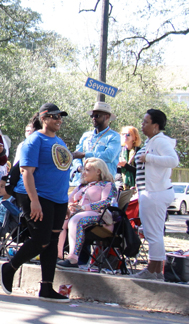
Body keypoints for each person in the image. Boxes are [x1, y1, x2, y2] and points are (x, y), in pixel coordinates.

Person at [0, 104, 73, 302]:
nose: (59, 120)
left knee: (53, 240)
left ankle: (47, 287)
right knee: (41, 239)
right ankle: (10, 267)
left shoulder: (59, 141)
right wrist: (34, 201)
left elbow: (61, 170)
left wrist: (65, 201)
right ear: (44, 118)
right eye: (54, 116)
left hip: (58, 198)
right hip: (38, 196)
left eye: (60, 117)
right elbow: (26, 172)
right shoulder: (34, 141)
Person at [132, 109, 179, 280]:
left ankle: (152, 270)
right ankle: (157, 271)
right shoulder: (152, 141)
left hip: (155, 193)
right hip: (152, 192)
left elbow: (173, 160)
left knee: (153, 234)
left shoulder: (160, 141)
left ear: (156, 126)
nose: (142, 125)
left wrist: (149, 158)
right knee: (155, 233)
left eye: (146, 122)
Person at [57, 158, 117, 268]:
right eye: (84, 169)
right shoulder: (82, 186)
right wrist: (71, 206)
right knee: (60, 218)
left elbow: (107, 202)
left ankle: (73, 259)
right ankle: (58, 255)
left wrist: (84, 207)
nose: (84, 172)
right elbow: (69, 199)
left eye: (88, 170)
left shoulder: (107, 185)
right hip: (78, 214)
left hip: (101, 218)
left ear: (98, 171)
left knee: (76, 219)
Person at [71, 101, 121, 187]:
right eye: (92, 116)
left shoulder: (114, 137)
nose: (93, 118)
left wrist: (85, 154)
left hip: (102, 185)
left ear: (107, 117)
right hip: (80, 182)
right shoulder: (86, 135)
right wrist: (80, 167)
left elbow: (109, 156)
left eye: (97, 116)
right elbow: (76, 155)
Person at [116, 126, 142, 191]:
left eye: (128, 134)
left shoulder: (139, 151)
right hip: (121, 185)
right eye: (123, 134)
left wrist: (126, 165)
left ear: (134, 137)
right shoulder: (119, 150)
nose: (125, 136)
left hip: (136, 186)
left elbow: (140, 171)